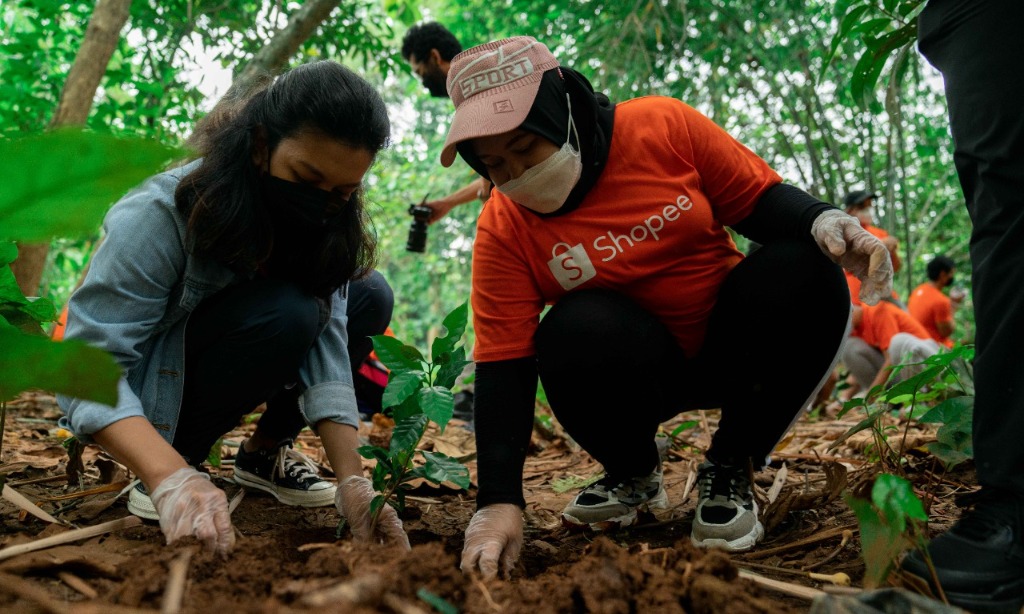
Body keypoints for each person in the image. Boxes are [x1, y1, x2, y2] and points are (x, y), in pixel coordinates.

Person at [439, 37, 893, 578]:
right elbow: (503, 366)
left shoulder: (661, 127)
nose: (516, 175)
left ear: (565, 114)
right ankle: (632, 470)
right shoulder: (503, 227)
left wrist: (824, 220)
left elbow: (759, 202)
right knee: (570, 330)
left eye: (525, 148)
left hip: (735, 345)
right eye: (495, 165)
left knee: (805, 267)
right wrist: (497, 501)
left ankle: (732, 464)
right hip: (636, 370)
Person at [56, 60, 409, 554]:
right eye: (306, 179)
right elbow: (85, 370)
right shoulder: (160, 214)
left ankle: (264, 455)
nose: (320, 204)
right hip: (152, 397)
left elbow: (329, 349)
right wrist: (170, 477)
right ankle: (169, 461)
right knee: (291, 312)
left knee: (370, 294)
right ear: (260, 145)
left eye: (341, 192)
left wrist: (355, 484)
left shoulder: (326, 230)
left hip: (257, 337)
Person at [901, 2, 1024, 611]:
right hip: (981, 16)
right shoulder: (932, 300)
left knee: (1009, 208)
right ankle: (1017, 506)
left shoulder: (925, 297)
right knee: (1013, 205)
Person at [400, 21, 491, 224]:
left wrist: (488, 196)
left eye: (420, 73)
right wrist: (446, 203)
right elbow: (494, 170)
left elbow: (494, 174)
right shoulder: (480, 77)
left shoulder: (473, 89)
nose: (424, 84)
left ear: (435, 57)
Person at [843, 301, 941, 394]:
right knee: (850, 348)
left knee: (896, 343)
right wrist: (844, 398)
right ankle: (886, 400)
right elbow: (861, 367)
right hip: (901, 369)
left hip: (923, 363)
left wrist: (871, 396)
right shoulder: (856, 328)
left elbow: (890, 359)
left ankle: (910, 398)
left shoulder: (877, 311)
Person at [907, 255, 963, 348]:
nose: (952, 277)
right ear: (943, 275)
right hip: (934, 348)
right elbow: (946, 332)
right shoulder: (940, 301)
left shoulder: (918, 290)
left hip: (916, 343)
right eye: (951, 274)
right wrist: (955, 304)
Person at [845, 189, 903, 276]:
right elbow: (847, 264)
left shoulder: (881, 233)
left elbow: (895, 268)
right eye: (862, 206)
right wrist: (879, 245)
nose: (868, 209)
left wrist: (892, 251)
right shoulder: (842, 233)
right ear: (849, 210)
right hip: (854, 287)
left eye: (870, 205)